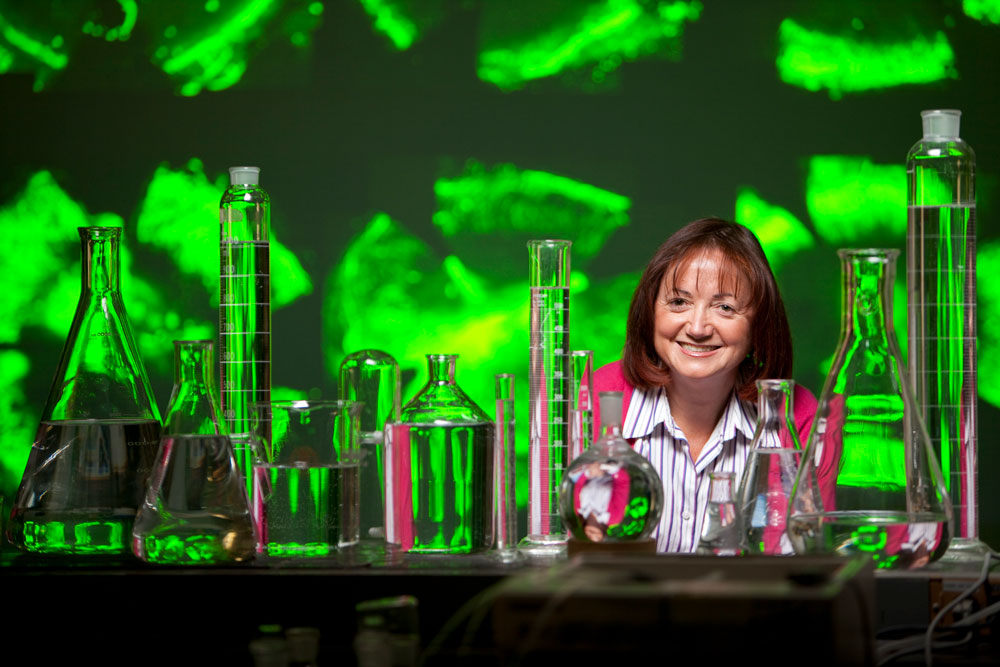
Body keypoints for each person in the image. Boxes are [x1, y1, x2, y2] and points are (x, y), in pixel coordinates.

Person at [593, 217, 816, 553]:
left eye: (725, 307)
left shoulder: (798, 417)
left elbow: (812, 557)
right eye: (679, 302)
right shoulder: (600, 395)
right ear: (649, 310)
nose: (697, 327)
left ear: (759, 326)